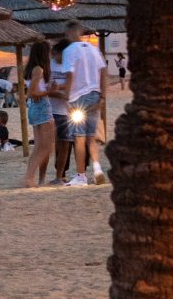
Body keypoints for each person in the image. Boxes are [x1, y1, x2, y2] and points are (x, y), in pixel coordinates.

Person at [64, 21, 108, 186]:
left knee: (79, 138)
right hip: (95, 95)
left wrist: (66, 99)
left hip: (78, 97)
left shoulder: (70, 51)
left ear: (71, 32)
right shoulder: (93, 49)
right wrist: (103, 97)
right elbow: (103, 72)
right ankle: (97, 169)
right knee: (91, 137)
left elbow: (70, 75)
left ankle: (81, 175)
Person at [22, 42, 56, 187]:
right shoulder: (39, 70)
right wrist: (50, 91)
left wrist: (45, 90)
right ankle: (29, 178)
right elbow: (31, 93)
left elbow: (33, 91)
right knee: (46, 147)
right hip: (42, 107)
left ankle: (29, 178)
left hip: (35, 108)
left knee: (39, 147)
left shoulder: (31, 69)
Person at [47, 38, 75, 185]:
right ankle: (52, 174)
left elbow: (72, 86)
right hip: (50, 109)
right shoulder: (49, 66)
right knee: (51, 144)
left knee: (65, 143)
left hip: (65, 110)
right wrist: (61, 90)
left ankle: (60, 175)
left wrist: (59, 89)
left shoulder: (69, 67)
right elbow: (46, 88)